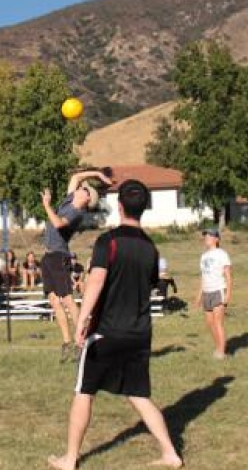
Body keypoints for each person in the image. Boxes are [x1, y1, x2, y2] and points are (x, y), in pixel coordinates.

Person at [48, 179, 182, 470]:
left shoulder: (107, 242)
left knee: (84, 392)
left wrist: (82, 319)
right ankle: (170, 453)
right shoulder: (151, 248)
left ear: (119, 206)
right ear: (143, 208)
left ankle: (70, 459)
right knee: (139, 395)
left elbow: (96, 281)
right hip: (139, 333)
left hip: (106, 333)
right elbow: (148, 286)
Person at [42, 169, 113, 362]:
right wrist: (98, 174)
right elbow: (76, 177)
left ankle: (81, 340)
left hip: (59, 256)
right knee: (55, 302)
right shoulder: (69, 199)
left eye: (84, 189)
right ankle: (67, 343)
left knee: (67, 300)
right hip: (48, 256)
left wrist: (46, 205)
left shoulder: (77, 213)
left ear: (87, 198)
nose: (80, 187)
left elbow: (57, 223)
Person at [197, 228, 233, 360]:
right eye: (205, 235)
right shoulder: (204, 256)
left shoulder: (221, 254)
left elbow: (228, 275)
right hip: (207, 292)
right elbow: (203, 276)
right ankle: (218, 346)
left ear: (216, 239)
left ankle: (221, 352)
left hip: (218, 291)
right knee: (210, 323)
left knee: (218, 323)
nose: (206, 237)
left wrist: (228, 293)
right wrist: (199, 295)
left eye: (209, 235)